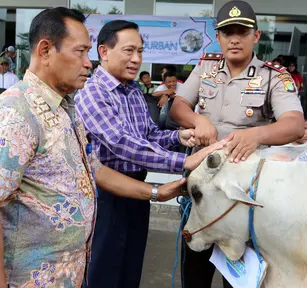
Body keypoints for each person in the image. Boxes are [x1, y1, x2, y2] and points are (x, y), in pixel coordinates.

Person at [0, 8, 197, 288]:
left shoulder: (67, 109)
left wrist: (158, 192)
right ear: (46, 50)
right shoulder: (14, 113)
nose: (89, 63)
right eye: (80, 52)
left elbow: (95, 168)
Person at [75, 20, 224, 288]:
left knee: (130, 268)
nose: (136, 59)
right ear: (104, 52)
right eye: (129, 51)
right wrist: (184, 160)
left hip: (136, 191)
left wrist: (179, 136)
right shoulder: (92, 92)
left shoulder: (132, 91)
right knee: (103, 271)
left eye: (140, 52)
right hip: (106, 193)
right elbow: (122, 143)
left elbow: (149, 136)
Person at [169, 1, 304, 287]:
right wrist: (198, 120)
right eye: (227, 32)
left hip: (244, 196)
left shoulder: (274, 76)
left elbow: (293, 124)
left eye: (242, 32)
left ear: (255, 36)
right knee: (195, 269)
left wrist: (257, 135)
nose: (234, 39)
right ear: (218, 37)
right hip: (202, 191)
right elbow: (177, 106)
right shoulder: (205, 67)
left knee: (240, 276)